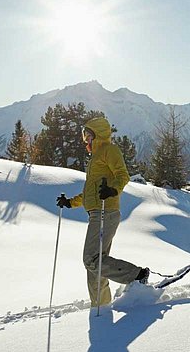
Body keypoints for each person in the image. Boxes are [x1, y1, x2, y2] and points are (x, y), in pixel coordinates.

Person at [56, 117, 150, 307]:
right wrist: (70, 203)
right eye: (84, 136)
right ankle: (101, 306)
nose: (85, 140)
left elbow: (122, 175)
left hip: (106, 212)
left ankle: (137, 275)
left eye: (88, 136)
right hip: (96, 213)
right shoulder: (94, 159)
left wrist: (113, 190)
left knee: (91, 259)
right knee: (96, 267)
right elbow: (90, 192)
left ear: (98, 135)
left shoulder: (109, 150)